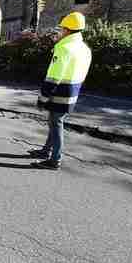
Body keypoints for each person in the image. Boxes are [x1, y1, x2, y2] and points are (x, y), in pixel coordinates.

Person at [31, 12, 92, 170]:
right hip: (73, 91)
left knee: (56, 124)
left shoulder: (64, 48)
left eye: (62, 29)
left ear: (67, 30)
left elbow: (54, 77)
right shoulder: (84, 48)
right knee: (54, 122)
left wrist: (43, 97)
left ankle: (55, 160)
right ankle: (46, 151)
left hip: (60, 92)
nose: (60, 31)